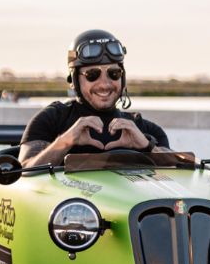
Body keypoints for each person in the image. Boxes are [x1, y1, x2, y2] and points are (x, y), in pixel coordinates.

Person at [19, 29, 172, 166]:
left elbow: (182, 171)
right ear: (74, 80)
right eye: (92, 75)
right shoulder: (52, 119)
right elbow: (22, 173)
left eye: (114, 74)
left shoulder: (146, 130)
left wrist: (148, 146)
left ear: (122, 78)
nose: (104, 84)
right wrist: (66, 141)